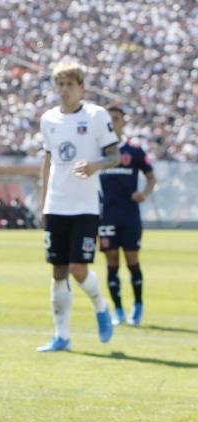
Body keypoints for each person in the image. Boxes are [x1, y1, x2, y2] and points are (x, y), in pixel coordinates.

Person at [36, 62, 121, 352]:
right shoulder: (48, 119)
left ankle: (100, 306)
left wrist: (95, 165)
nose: (64, 90)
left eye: (69, 84)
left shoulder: (97, 115)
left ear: (81, 87)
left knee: (77, 268)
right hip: (56, 204)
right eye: (59, 84)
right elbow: (48, 161)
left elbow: (115, 156)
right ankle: (62, 336)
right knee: (58, 270)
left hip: (85, 205)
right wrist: (43, 201)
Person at [99, 105, 157, 326]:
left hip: (129, 215)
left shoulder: (134, 151)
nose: (113, 122)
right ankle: (119, 310)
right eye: (110, 119)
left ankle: (138, 306)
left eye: (116, 118)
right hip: (106, 216)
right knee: (111, 261)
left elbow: (151, 178)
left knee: (132, 259)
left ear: (123, 122)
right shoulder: (98, 152)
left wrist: (144, 193)